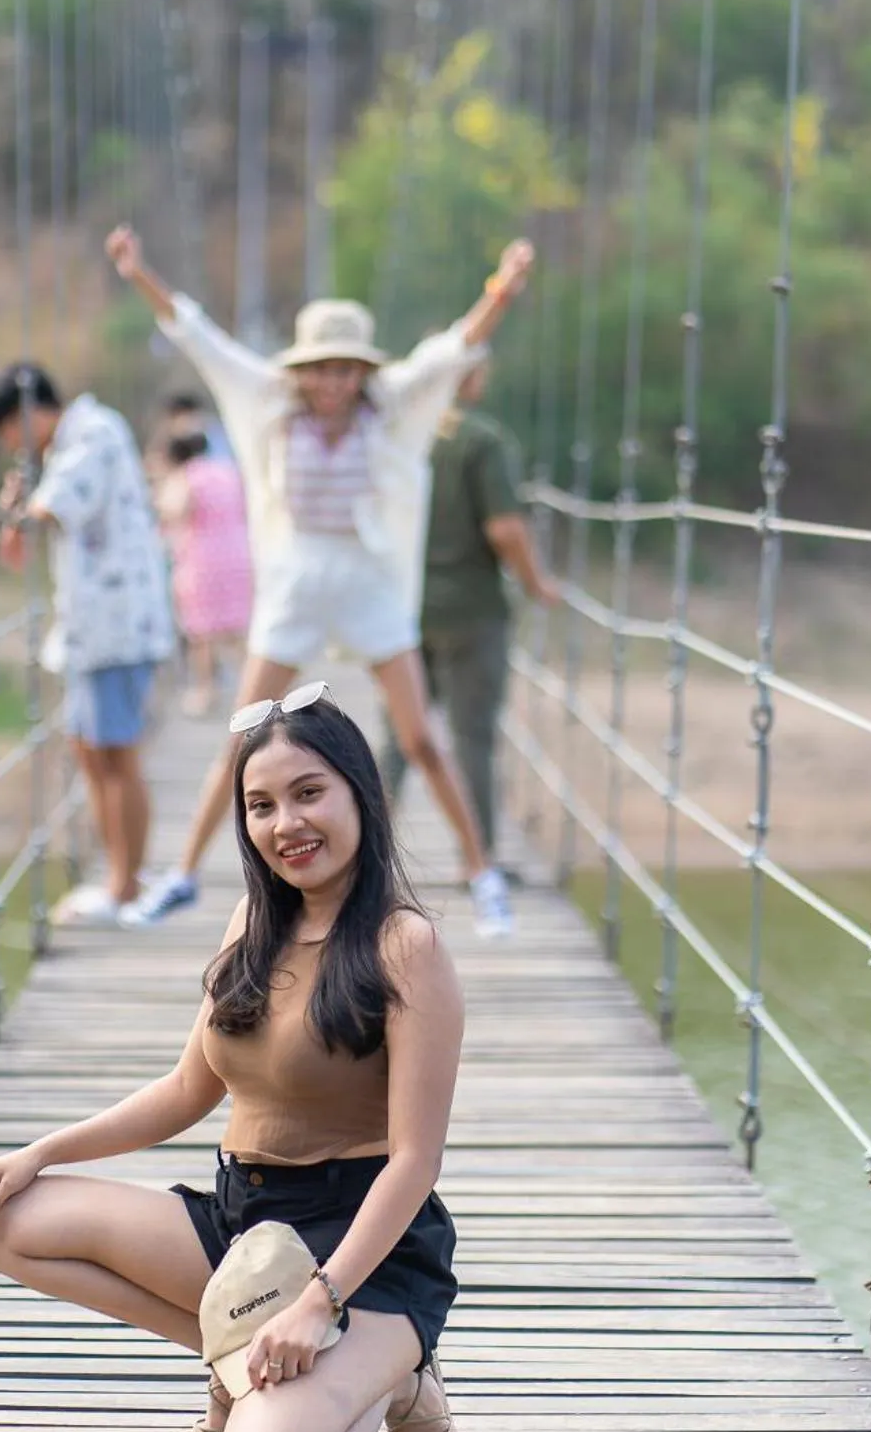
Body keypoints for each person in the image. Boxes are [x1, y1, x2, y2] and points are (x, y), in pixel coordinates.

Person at [0, 687, 466, 1432]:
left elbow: (415, 1161)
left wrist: (318, 1304)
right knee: (7, 1221)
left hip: (363, 1255)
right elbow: (185, 1091)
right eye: (260, 806)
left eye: (309, 794)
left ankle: (394, 1379)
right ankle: (248, 1367)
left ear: (358, 795)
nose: (285, 825)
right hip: (245, 1229)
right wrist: (38, 1153)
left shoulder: (405, 947)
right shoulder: (250, 924)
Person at [104, 222, 537, 939]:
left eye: (344, 369)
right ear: (301, 370)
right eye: (319, 369)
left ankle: (482, 873)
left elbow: (452, 350)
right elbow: (198, 337)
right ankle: (180, 875)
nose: (331, 382)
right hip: (296, 580)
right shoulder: (269, 402)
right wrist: (137, 272)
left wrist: (503, 286)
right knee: (241, 737)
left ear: (360, 372)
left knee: (420, 738)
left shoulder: (390, 407)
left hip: (367, 579)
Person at [0, 364, 175, 927]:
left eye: (8, 432)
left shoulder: (94, 432)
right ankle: (120, 879)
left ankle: (124, 887)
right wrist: (19, 511)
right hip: (92, 630)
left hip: (116, 628)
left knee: (116, 754)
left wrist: (21, 509)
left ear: (27, 415)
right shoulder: (64, 450)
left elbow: (48, 512)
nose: (11, 446)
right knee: (93, 753)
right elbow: (20, 542)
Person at [381, 352, 561, 865]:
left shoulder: (396, 434)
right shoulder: (481, 441)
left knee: (398, 738)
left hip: (400, 611)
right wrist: (537, 583)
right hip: (471, 610)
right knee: (472, 737)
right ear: (470, 378)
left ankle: (364, 857)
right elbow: (505, 528)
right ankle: (477, 858)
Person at [154, 424, 254, 718]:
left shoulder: (187, 476)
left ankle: (205, 691)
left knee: (202, 634)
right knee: (236, 632)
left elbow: (176, 510)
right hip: (237, 554)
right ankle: (257, 689)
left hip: (202, 560)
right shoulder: (227, 471)